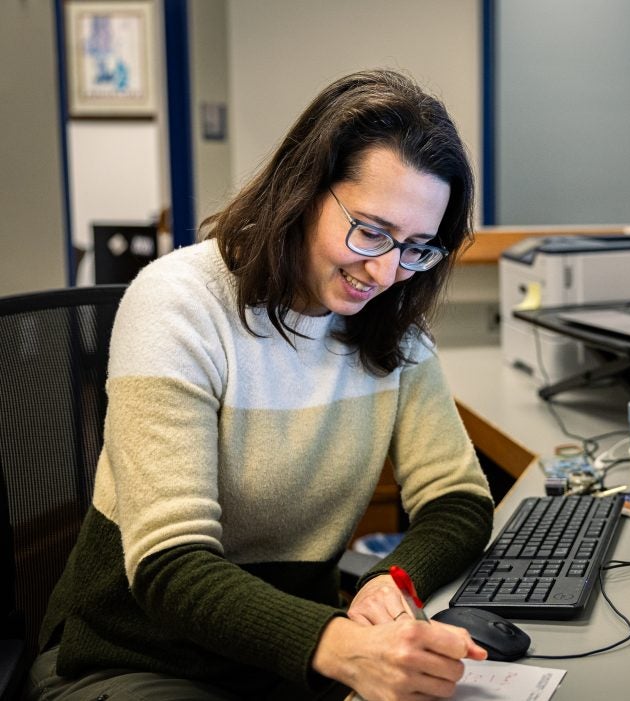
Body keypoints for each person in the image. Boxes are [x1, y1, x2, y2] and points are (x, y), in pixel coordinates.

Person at [27, 69, 495, 701]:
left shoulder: (393, 332)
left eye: (417, 247)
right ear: (303, 193)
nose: (386, 270)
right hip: (139, 658)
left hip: (284, 660)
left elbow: (458, 498)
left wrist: (394, 580)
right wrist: (345, 646)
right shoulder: (179, 303)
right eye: (371, 230)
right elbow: (171, 564)